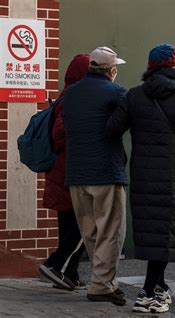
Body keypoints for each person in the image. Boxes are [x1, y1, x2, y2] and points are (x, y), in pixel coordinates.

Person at [106, 44, 175, 314]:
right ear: (174, 66)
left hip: (143, 174)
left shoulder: (133, 96)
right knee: (166, 232)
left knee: (153, 232)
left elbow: (112, 129)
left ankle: (159, 286)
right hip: (173, 176)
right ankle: (148, 294)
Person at [62, 47, 128, 306]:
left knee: (89, 231)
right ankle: (102, 285)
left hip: (76, 173)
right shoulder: (117, 92)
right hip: (106, 171)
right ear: (111, 70)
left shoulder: (71, 93)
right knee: (110, 231)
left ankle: (103, 281)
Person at [39, 54, 90, 291]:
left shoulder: (65, 96)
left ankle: (69, 273)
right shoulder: (72, 98)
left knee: (69, 224)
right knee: (85, 224)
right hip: (68, 172)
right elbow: (60, 134)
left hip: (62, 173)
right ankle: (56, 265)